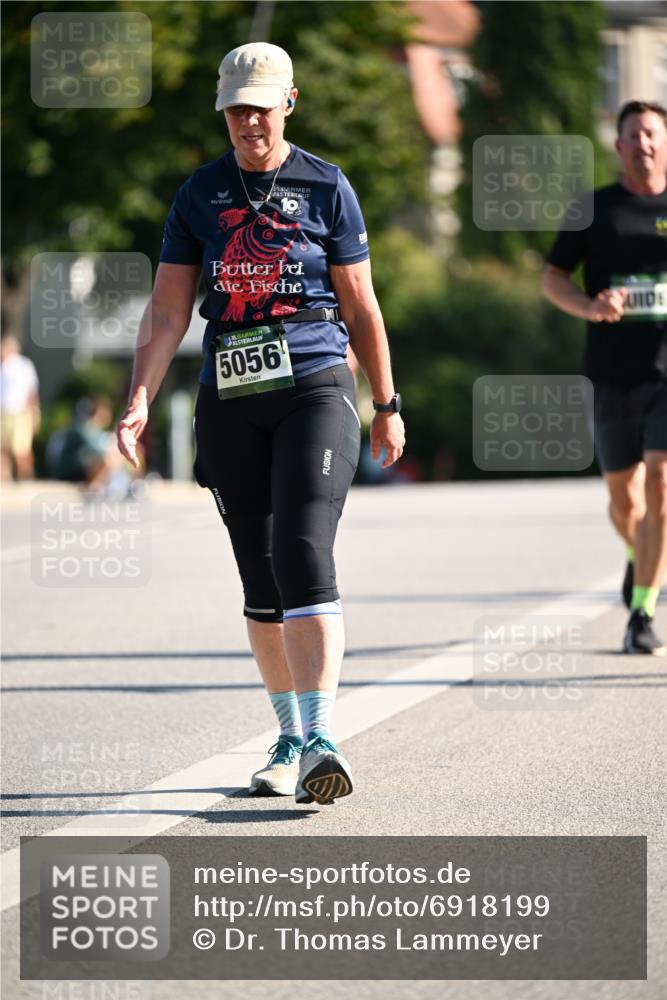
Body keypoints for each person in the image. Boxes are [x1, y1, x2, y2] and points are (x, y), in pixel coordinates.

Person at [117, 43, 405, 803]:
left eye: (261, 106)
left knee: (302, 546)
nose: (249, 120)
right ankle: (287, 736)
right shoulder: (198, 194)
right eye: (236, 109)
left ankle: (319, 740)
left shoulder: (326, 186)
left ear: (290, 103)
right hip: (230, 393)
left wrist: (386, 402)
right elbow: (169, 309)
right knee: (258, 570)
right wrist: (139, 397)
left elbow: (361, 304)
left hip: (314, 380)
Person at [543, 100, 667, 656]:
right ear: (617, 147)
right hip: (614, 375)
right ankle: (637, 554)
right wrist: (591, 307)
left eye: (652, 134)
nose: (643, 143)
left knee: (660, 487)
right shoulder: (593, 210)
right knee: (625, 503)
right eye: (633, 135)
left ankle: (640, 612)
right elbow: (553, 280)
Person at [0, 335, 40, 481]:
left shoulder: (24, 365)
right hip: (3, 412)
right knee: (2, 448)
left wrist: (35, 412)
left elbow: (32, 391)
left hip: (20, 412)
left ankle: (26, 476)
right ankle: (5, 478)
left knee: (21, 448)